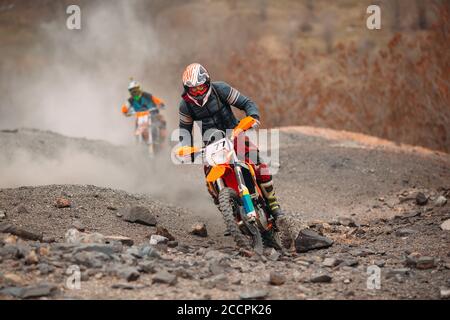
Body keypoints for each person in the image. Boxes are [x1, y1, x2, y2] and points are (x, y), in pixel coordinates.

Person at [177, 63, 285, 221]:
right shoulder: (185, 105)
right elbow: (184, 131)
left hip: (234, 133)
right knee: (211, 182)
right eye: (194, 89)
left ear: (207, 83)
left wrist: (253, 116)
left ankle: (274, 204)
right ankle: (232, 218)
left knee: (258, 163)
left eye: (200, 87)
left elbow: (246, 103)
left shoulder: (220, 89)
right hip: (211, 145)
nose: (198, 92)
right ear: (187, 89)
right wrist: (187, 149)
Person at [121, 79, 167, 150]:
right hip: (140, 118)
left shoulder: (147, 96)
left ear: (139, 89)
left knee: (161, 119)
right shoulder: (130, 100)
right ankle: (137, 145)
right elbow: (124, 109)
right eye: (132, 91)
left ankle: (162, 141)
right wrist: (126, 112)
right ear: (130, 92)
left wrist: (161, 104)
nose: (134, 92)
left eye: (136, 90)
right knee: (136, 127)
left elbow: (158, 101)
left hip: (153, 115)